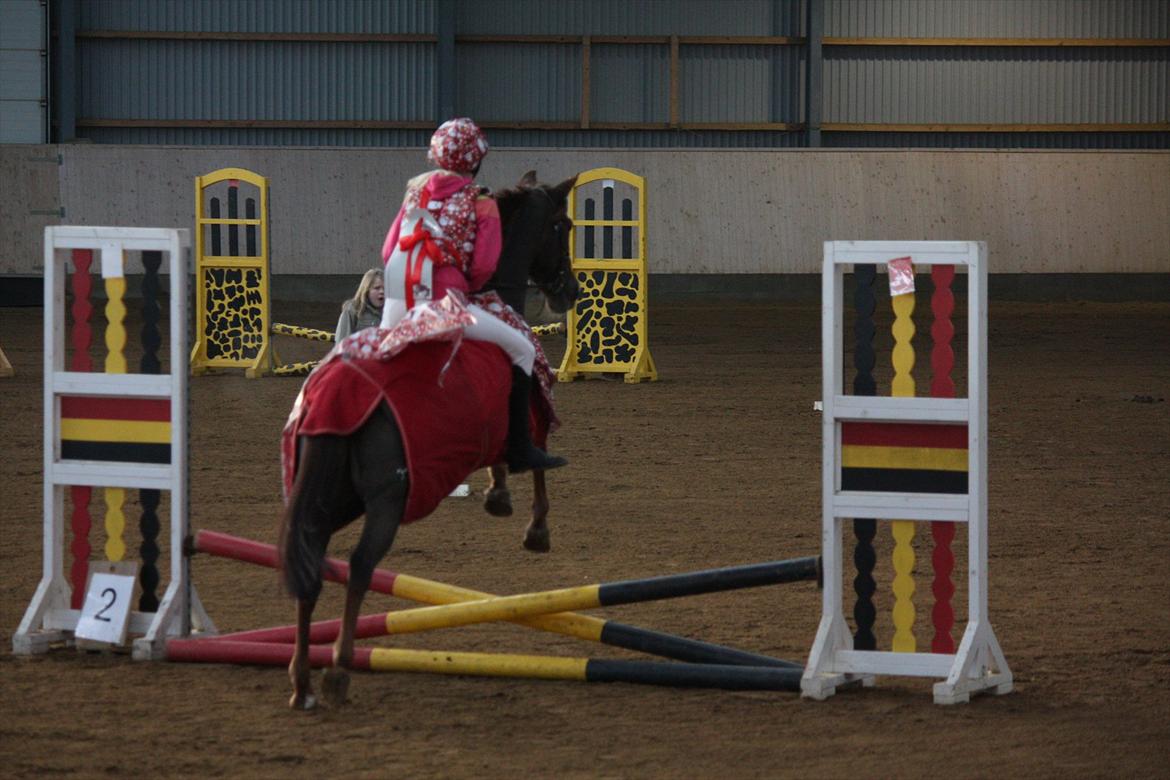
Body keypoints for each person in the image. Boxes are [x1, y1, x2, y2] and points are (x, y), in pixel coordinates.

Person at [379, 117, 566, 473]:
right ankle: (519, 449)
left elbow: (389, 251)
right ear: (476, 160)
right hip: (446, 306)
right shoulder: (480, 200)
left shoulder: (414, 193)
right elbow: (483, 265)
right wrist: (462, 284)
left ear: (436, 156)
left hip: (398, 304)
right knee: (523, 349)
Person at [334, 268, 385, 342]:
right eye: (377, 288)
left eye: (385, 288)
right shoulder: (352, 310)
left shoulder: (391, 312)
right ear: (366, 290)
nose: (382, 292)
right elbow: (342, 342)